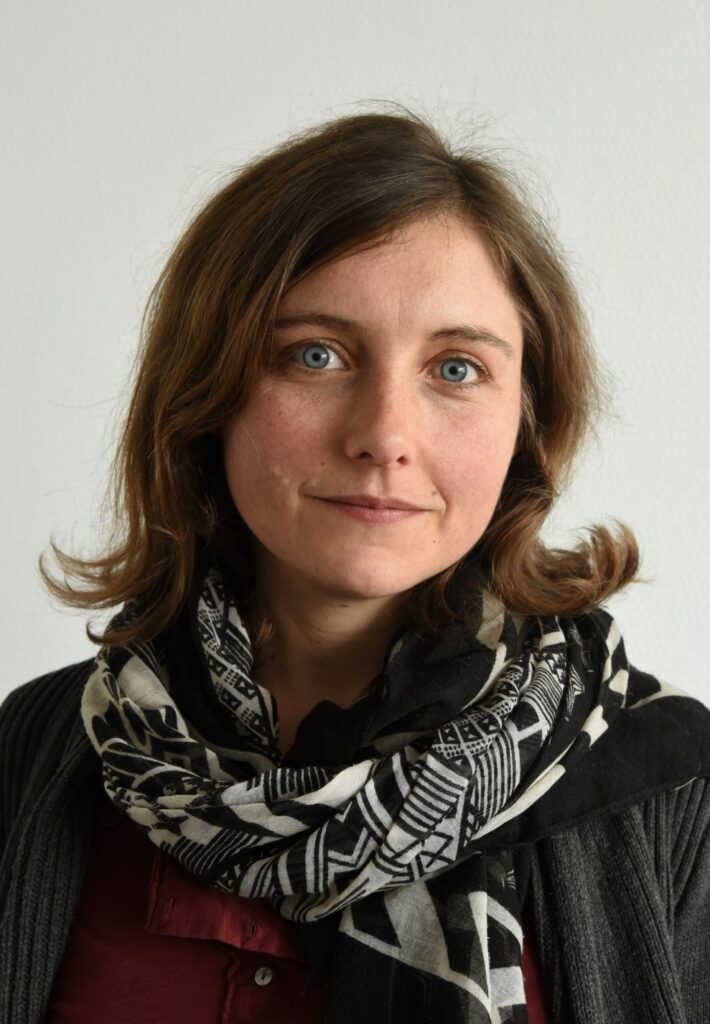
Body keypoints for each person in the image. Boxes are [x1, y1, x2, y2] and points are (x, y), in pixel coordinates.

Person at [1, 107, 708, 1024]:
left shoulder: (672, 790)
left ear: (528, 421)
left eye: (456, 369)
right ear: (204, 393)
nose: (384, 435)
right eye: (316, 355)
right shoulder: (41, 749)